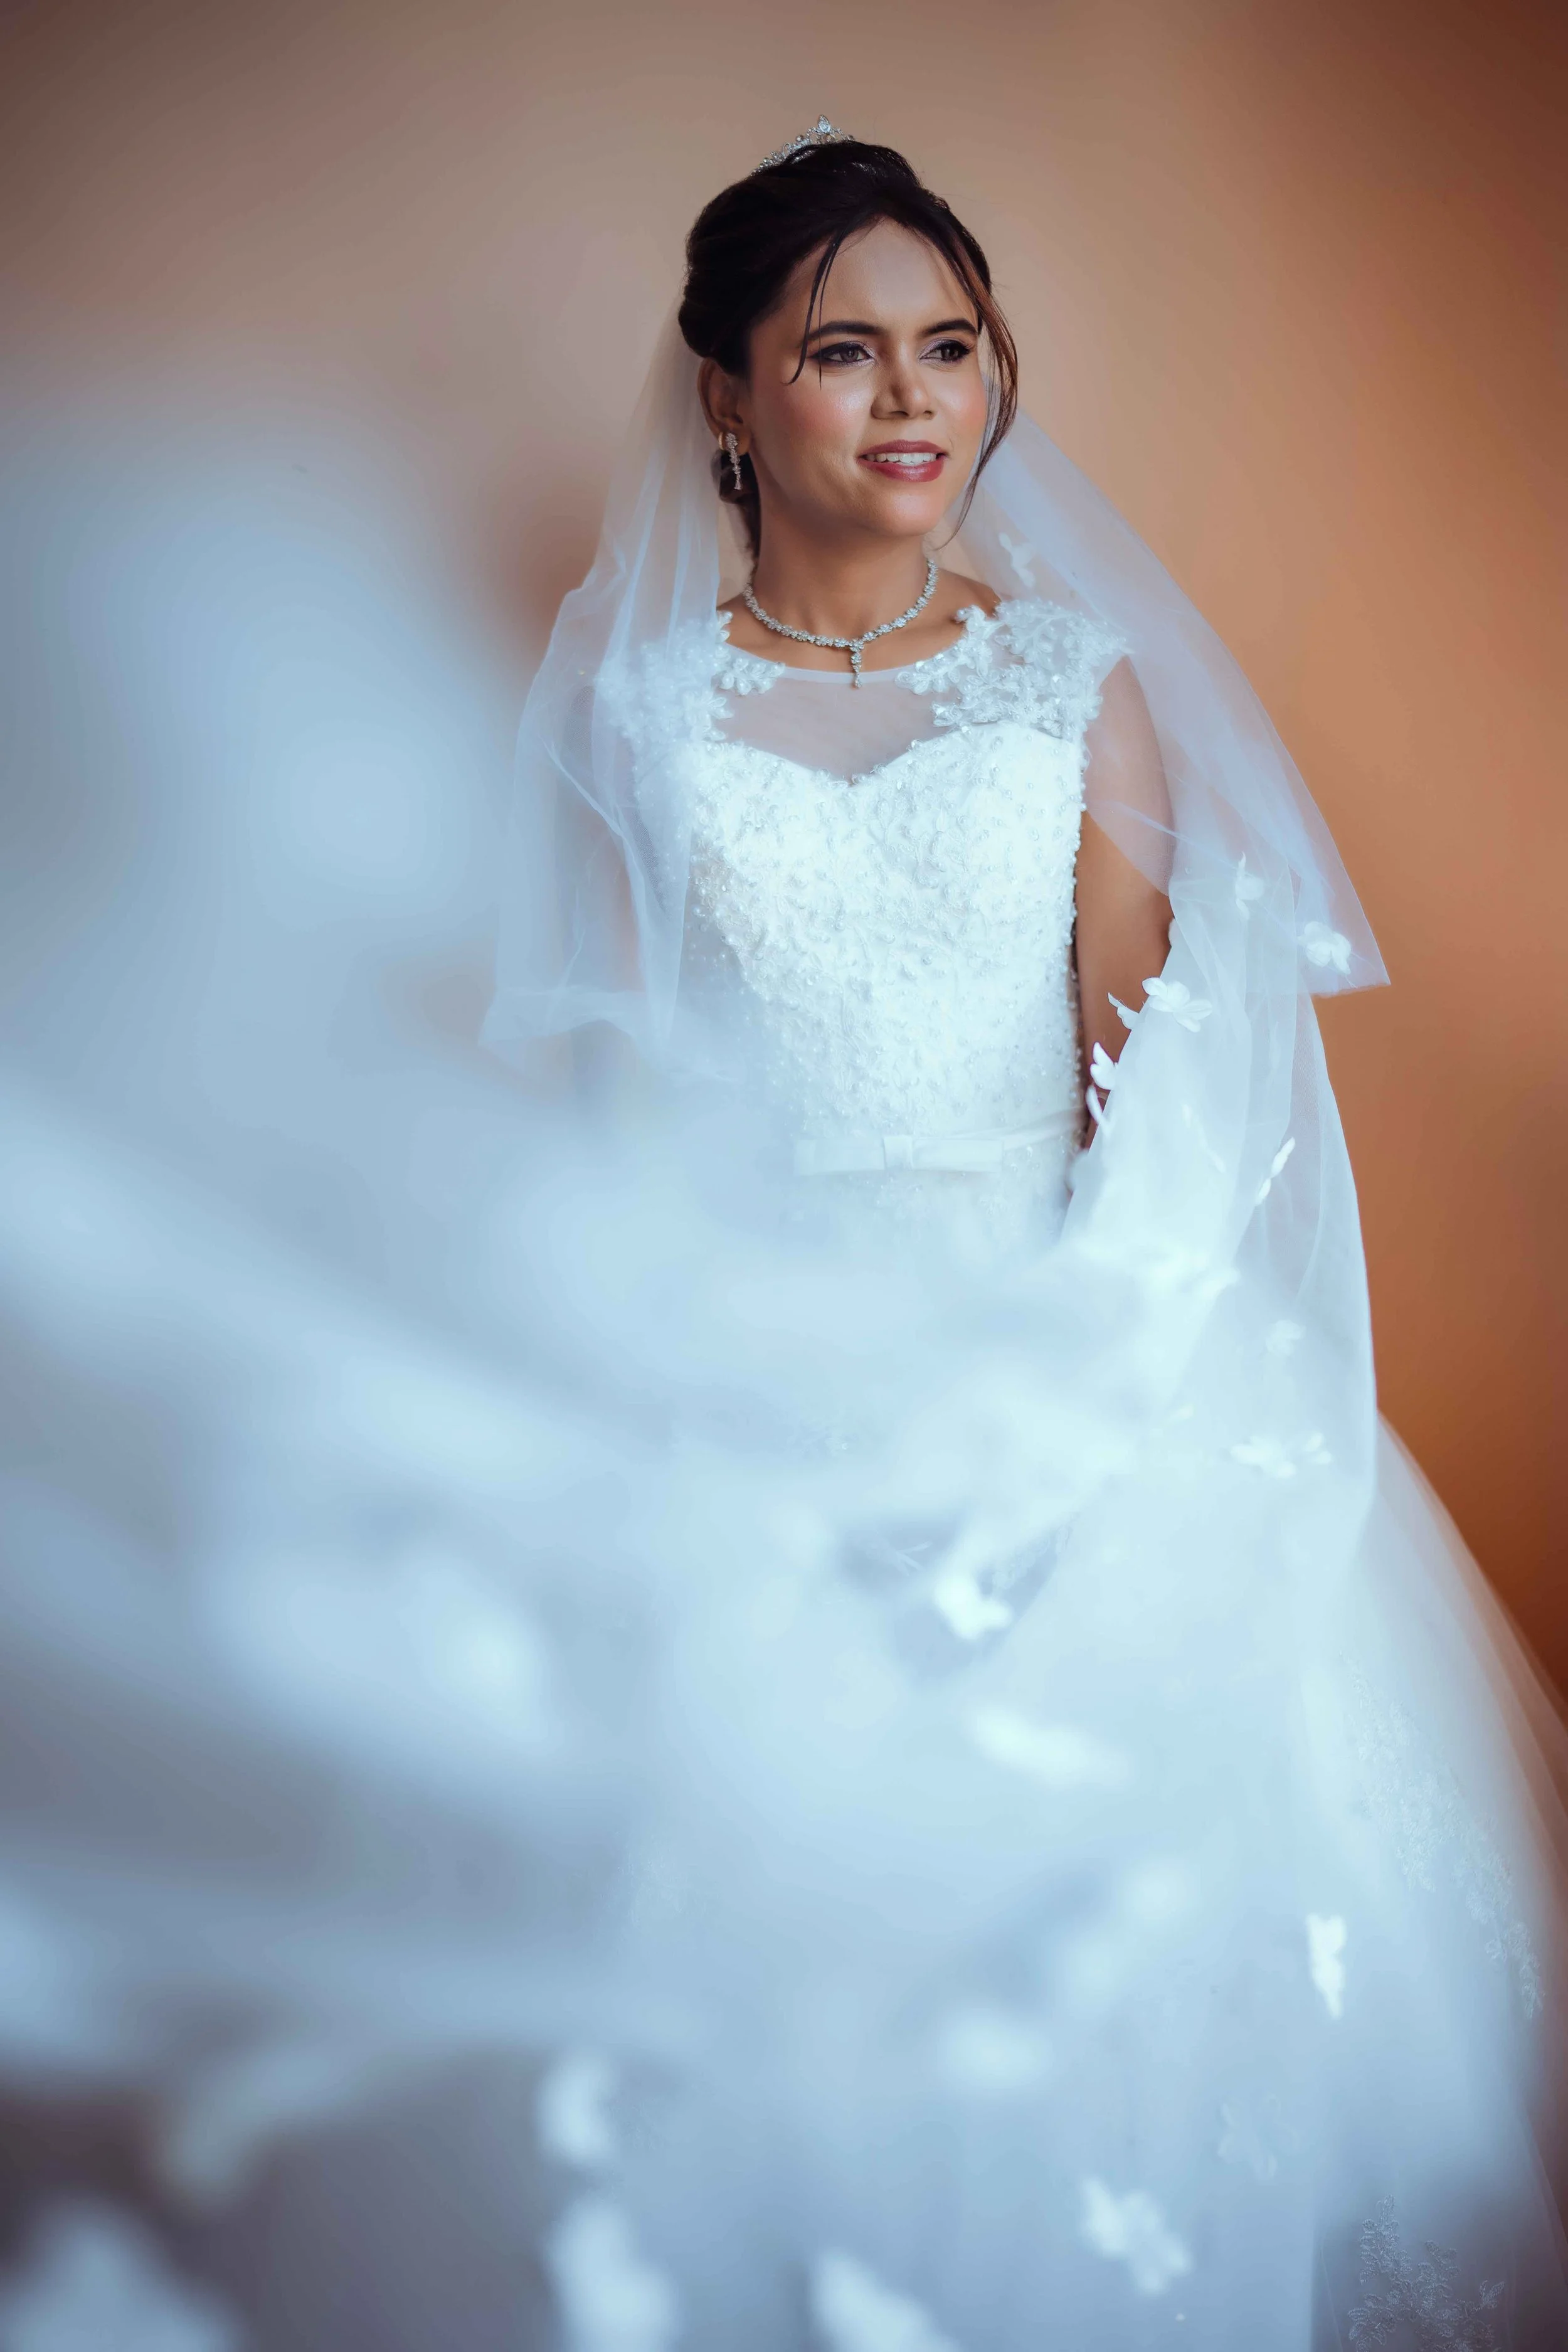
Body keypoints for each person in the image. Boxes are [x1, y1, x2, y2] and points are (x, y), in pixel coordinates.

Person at [485, 127, 1568, 2348]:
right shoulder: (631, 714)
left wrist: (1070, 1404)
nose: (910, 399)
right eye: (843, 350)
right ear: (725, 399)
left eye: (952, 347)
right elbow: (606, 1120)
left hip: (1080, 1347)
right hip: (751, 1379)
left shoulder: (1074, 688)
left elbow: (1148, 1082)